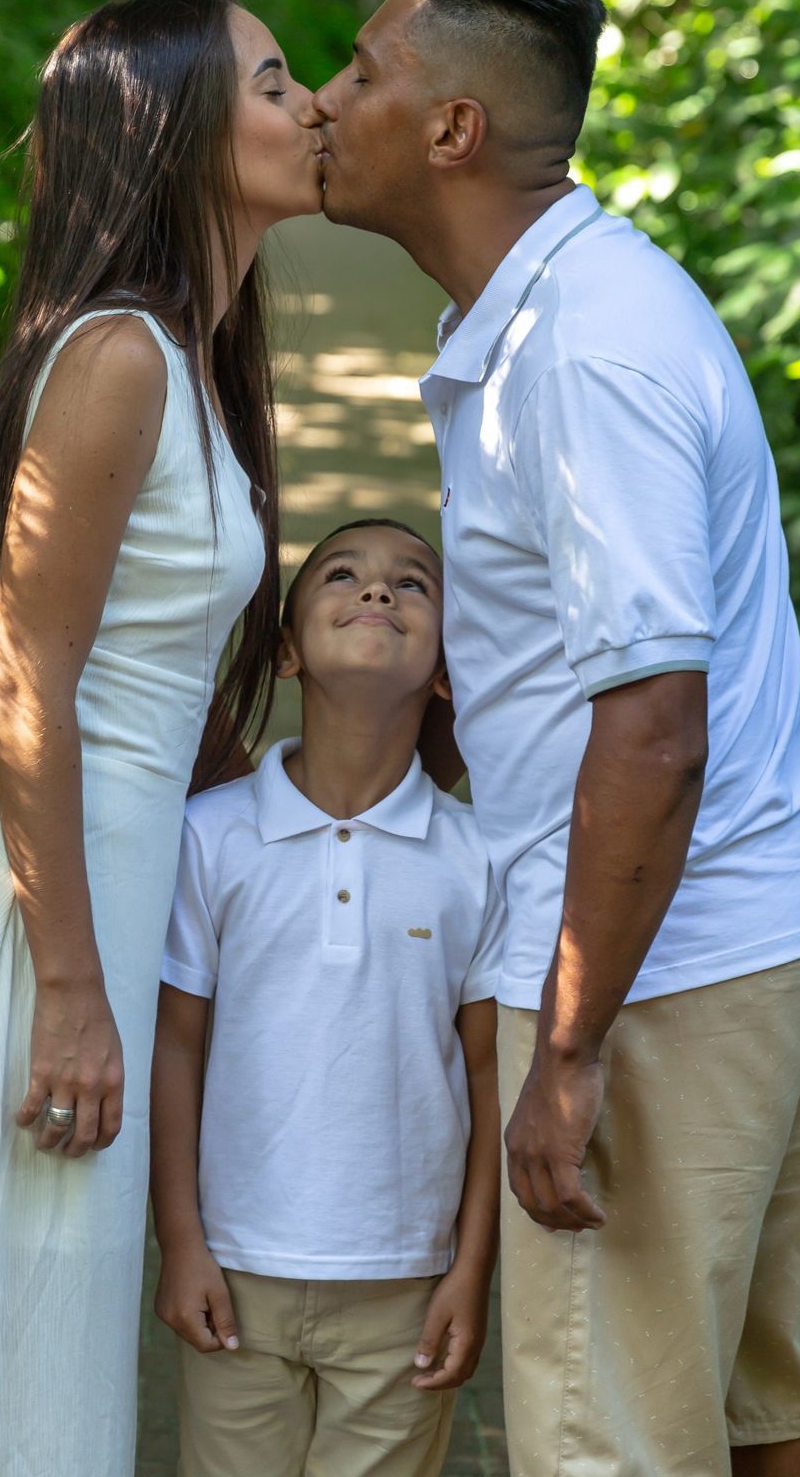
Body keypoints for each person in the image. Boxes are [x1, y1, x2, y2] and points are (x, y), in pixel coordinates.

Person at [309, 0, 800, 1477]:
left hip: (670, 968)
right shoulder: (548, 308)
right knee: (763, 1389)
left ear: (451, 131)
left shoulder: (580, 351)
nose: (325, 99)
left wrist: (564, 1051)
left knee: (603, 1434)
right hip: (755, 921)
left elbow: (651, 726)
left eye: (362, 72)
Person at [0, 0, 323, 1475]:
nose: (306, 108)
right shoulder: (119, 359)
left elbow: (145, 688)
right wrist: (73, 990)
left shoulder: (193, 361)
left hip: (68, 913)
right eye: (275, 82)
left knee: (23, 1379)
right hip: (12, 935)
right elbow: (28, 678)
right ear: (173, 131)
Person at [150, 518, 503, 1477]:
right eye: (342, 576)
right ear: (287, 651)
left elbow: (488, 1074)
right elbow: (175, 1045)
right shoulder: (208, 838)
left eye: (414, 584)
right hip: (236, 1272)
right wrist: (178, 1240)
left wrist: (473, 1272)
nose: (379, 593)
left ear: (446, 670)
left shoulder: (477, 857)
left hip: (406, 1283)